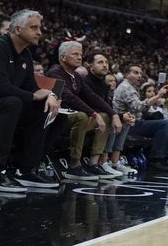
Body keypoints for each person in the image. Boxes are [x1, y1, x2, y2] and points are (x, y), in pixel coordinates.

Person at [0, 9, 60, 192]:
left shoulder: (26, 55)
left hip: (5, 104)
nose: (39, 32)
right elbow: (0, 88)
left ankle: (26, 169)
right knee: (13, 102)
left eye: (40, 28)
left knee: (43, 107)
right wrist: (33, 96)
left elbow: (31, 86)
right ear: (18, 29)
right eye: (34, 27)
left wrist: (50, 95)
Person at [46, 41, 123, 180]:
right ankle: (74, 165)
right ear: (63, 57)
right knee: (81, 116)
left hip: (71, 117)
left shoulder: (76, 76)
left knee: (105, 116)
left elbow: (92, 97)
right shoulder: (54, 72)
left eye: (80, 54)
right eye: (75, 54)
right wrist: (93, 113)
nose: (79, 57)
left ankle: (94, 164)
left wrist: (114, 114)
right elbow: (68, 97)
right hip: (56, 119)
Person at [113, 65, 168, 171]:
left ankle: (167, 157)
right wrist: (158, 96)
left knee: (167, 124)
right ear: (126, 74)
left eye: (140, 73)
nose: (139, 76)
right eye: (135, 73)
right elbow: (138, 107)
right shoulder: (126, 87)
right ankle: (156, 159)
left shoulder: (131, 87)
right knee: (164, 124)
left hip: (135, 122)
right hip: (127, 124)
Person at [83, 51, 135, 176]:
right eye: (100, 62)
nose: (105, 65)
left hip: (97, 117)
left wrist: (123, 117)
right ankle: (101, 162)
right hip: (84, 117)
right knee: (108, 117)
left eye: (106, 62)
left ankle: (114, 162)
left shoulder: (104, 84)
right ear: (90, 66)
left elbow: (106, 106)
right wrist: (117, 115)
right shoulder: (86, 81)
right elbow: (95, 104)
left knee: (125, 121)